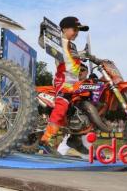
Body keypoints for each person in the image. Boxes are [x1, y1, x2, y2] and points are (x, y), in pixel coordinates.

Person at [40, 16, 89, 154]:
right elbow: (43, 43)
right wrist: (42, 31)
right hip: (63, 80)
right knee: (62, 106)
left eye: (78, 31)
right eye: (75, 29)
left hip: (74, 81)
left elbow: (75, 58)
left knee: (78, 108)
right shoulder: (59, 41)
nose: (77, 33)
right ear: (64, 29)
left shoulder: (72, 45)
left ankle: (74, 138)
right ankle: (44, 140)